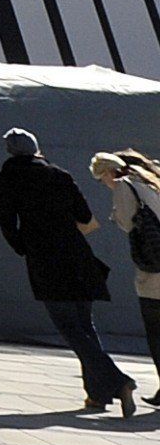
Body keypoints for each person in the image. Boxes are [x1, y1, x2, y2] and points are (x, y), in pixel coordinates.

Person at [0, 126, 134, 413]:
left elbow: (7, 223)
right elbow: (84, 215)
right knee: (84, 325)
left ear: (10, 152)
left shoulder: (8, 180)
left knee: (69, 328)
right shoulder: (59, 174)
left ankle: (119, 382)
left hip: (45, 260)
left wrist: (24, 246)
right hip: (77, 255)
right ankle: (97, 394)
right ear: (36, 148)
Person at [95, 149, 160, 400]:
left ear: (110, 172)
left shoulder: (124, 186)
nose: (104, 183)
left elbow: (126, 222)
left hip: (154, 271)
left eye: (102, 178)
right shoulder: (152, 182)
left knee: (155, 331)